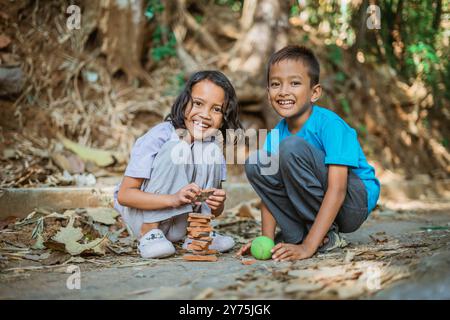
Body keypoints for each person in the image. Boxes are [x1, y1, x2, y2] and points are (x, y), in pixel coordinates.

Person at [239, 45, 380, 261]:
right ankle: (296, 236)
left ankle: (324, 236)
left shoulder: (330, 125)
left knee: (291, 147)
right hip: (313, 203)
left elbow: (338, 188)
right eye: (276, 84)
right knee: (256, 162)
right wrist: (265, 241)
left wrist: (308, 248)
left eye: (294, 83)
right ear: (268, 94)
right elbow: (268, 193)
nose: (284, 91)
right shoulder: (276, 134)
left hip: (351, 203)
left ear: (314, 92)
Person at [114, 70, 242, 259]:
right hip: (144, 217)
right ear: (184, 104)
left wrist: (217, 204)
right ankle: (150, 234)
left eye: (216, 109)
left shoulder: (212, 146)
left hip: (181, 223)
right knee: (177, 148)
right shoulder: (160, 136)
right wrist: (173, 199)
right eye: (198, 104)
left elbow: (215, 209)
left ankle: (198, 234)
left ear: (224, 117)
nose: (205, 115)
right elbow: (125, 195)